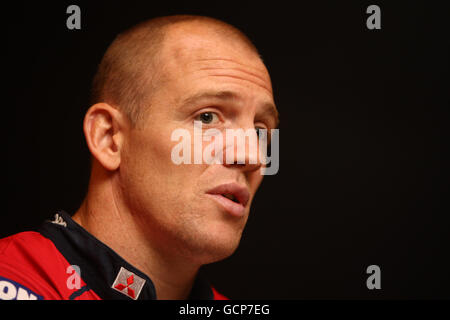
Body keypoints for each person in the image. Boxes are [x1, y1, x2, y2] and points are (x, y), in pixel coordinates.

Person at [0, 15, 279, 300]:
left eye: (260, 131)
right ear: (108, 138)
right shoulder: (13, 278)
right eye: (207, 117)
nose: (253, 156)